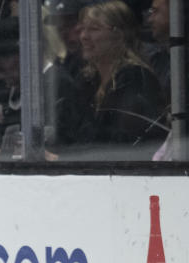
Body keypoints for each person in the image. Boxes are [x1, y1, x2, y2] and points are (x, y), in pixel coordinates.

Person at [65, 0, 166, 158]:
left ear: (119, 35)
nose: (84, 36)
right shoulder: (86, 80)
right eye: (83, 29)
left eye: (94, 29)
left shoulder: (136, 77)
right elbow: (68, 131)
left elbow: (126, 141)